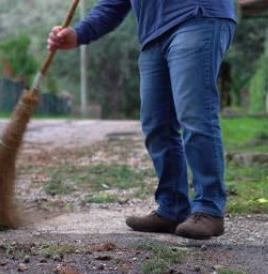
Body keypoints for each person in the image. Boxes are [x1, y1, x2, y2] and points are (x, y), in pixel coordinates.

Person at [48, 0, 235, 240]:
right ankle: (172, 208)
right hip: (154, 33)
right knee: (157, 125)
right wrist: (78, 34)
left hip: (196, 16)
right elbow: (112, 5)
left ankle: (209, 209)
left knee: (195, 116)